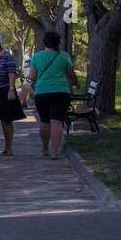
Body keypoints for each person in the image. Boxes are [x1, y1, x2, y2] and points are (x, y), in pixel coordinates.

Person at [28, 29, 78, 159]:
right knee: (57, 122)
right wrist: (76, 83)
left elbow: (32, 77)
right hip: (61, 92)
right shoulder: (64, 56)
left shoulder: (37, 56)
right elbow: (71, 74)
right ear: (58, 43)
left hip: (42, 92)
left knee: (44, 121)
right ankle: (54, 152)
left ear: (45, 42)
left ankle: (45, 147)